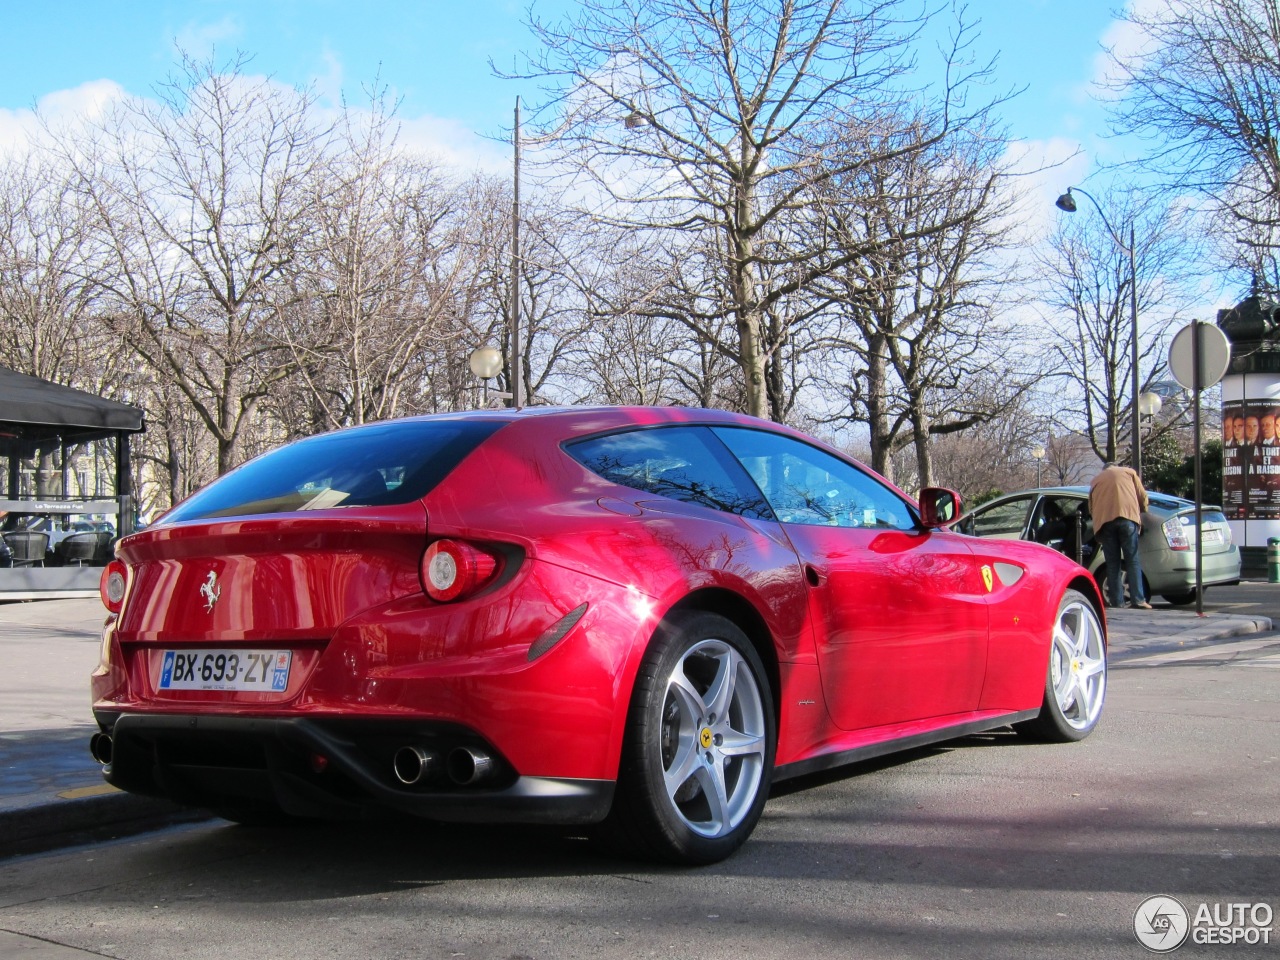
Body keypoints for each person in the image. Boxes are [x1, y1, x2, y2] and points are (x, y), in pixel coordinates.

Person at [1089, 461, 1152, 609]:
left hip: (1106, 523)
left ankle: (1117, 602)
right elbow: (1142, 496)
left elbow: (1091, 507)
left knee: (1112, 564)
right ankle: (1138, 599)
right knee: (1132, 560)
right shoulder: (1129, 473)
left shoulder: (1096, 480)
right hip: (1127, 518)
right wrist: (1143, 510)